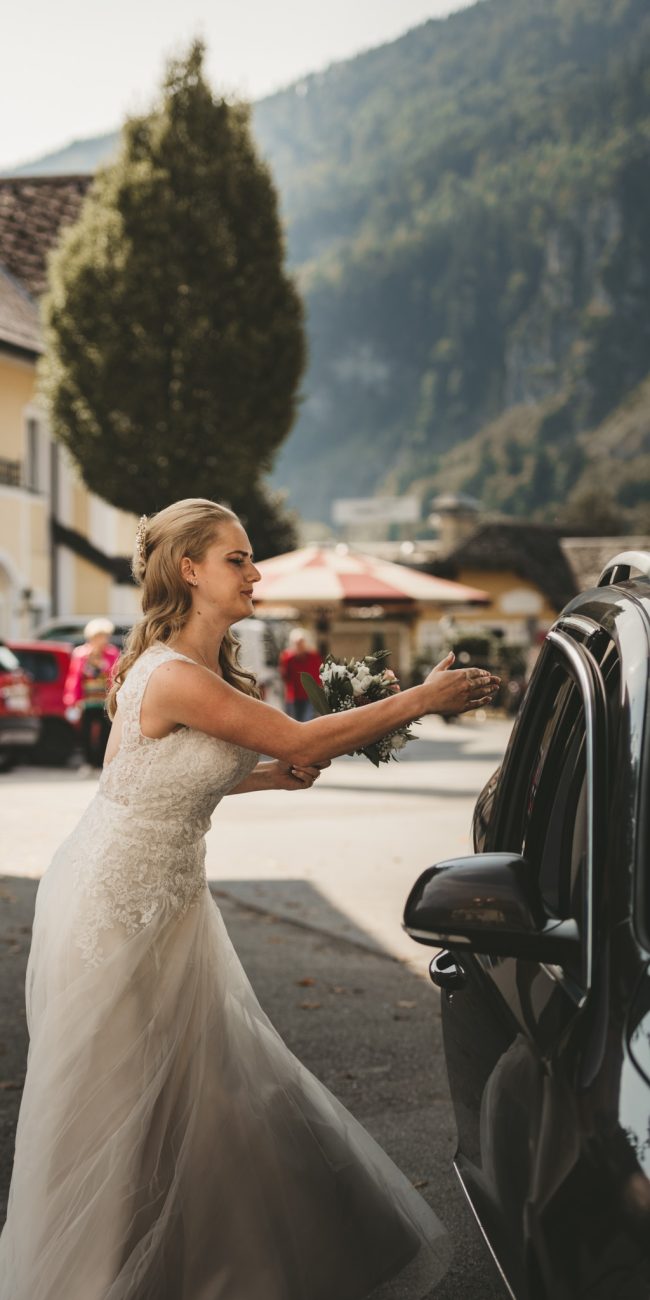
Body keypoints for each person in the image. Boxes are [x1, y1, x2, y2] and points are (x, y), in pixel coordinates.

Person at [0, 498, 499, 1300]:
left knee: (197, 1098)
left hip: (169, 898)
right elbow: (295, 739)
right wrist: (419, 701)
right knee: (120, 1108)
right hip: (117, 906)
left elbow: (148, 782)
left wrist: (262, 775)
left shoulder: (183, 668)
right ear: (189, 569)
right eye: (238, 558)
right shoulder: (168, 672)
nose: (255, 572)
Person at [63, 618, 120, 768]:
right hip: (87, 701)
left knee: (105, 733)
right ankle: (88, 762)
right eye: (100, 636)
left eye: (105, 636)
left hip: (105, 701)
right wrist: (72, 700)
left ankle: (102, 762)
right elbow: (74, 678)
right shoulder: (81, 654)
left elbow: (115, 676)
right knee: (86, 733)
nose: (103, 640)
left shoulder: (112, 653)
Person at [279, 626, 322, 720]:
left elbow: (318, 676)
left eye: (301, 643)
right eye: (297, 643)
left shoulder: (313, 657)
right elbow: (285, 676)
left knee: (306, 719)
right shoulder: (288, 658)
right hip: (294, 696)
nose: (300, 646)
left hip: (309, 695)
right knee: (295, 720)